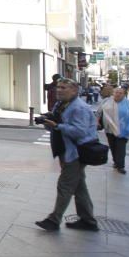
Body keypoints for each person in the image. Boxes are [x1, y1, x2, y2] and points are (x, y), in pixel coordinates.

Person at [34, 78, 99, 232]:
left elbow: (80, 131)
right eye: (58, 87)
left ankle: (54, 219)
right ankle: (88, 220)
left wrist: (58, 126)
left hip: (76, 153)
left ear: (74, 90)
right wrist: (48, 121)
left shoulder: (79, 108)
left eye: (64, 88)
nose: (59, 90)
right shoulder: (61, 104)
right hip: (66, 151)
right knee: (79, 186)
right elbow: (56, 125)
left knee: (65, 185)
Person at [99, 87, 129, 175]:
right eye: (116, 92)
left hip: (124, 130)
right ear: (113, 93)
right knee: (113, 146)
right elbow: (99, 112)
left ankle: (121, 166)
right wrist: (96, 122)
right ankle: (116, 161)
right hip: (109, 129)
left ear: (124, 94)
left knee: (121, 147)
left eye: (120, 93)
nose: (118, 94)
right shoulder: (106, 101)